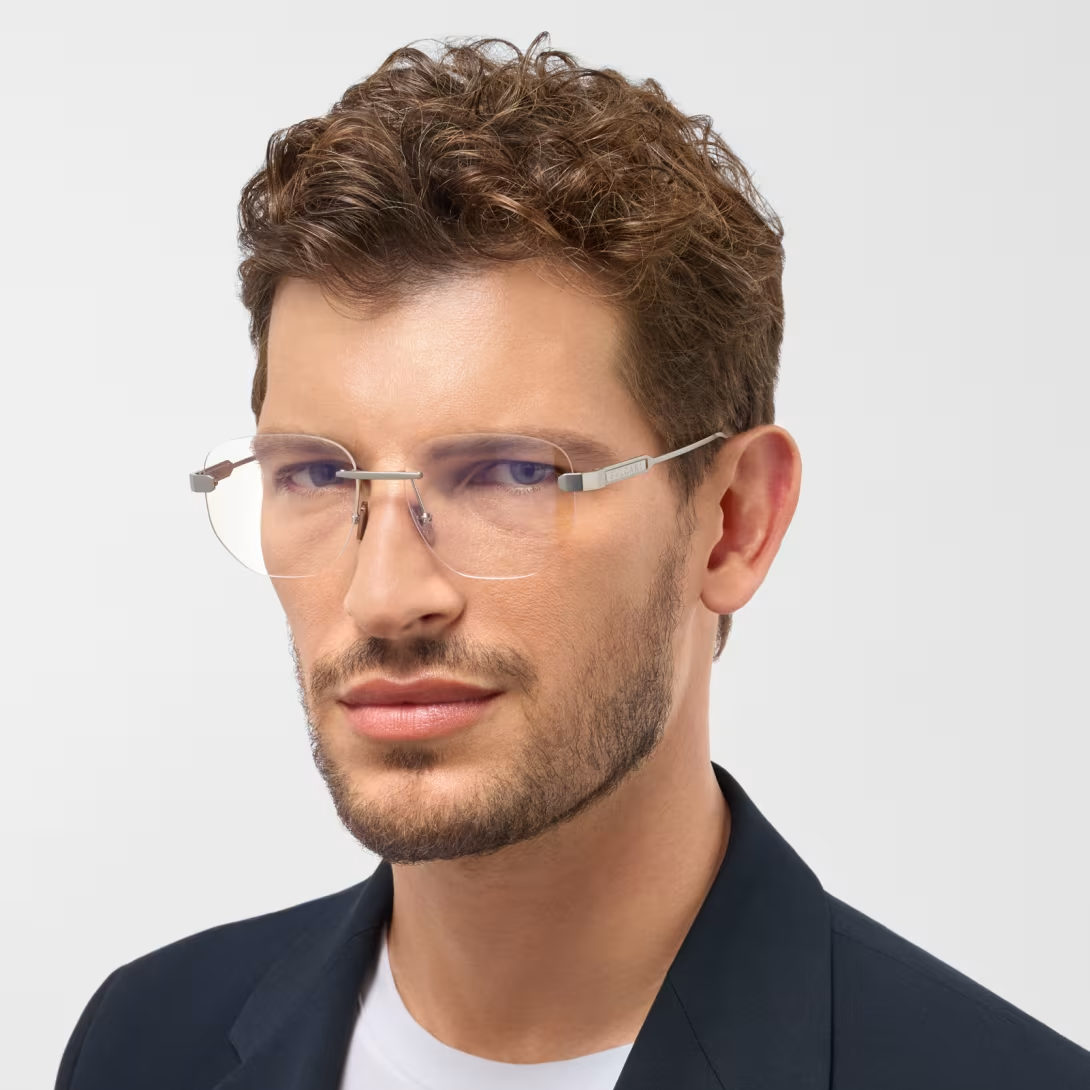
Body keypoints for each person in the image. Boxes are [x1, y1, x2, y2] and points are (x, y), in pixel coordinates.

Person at [56, 34, 1090, 1090]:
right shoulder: (144, 1042)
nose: (384, 596)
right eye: (317, 476)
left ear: (733, 522)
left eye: (510, 473)